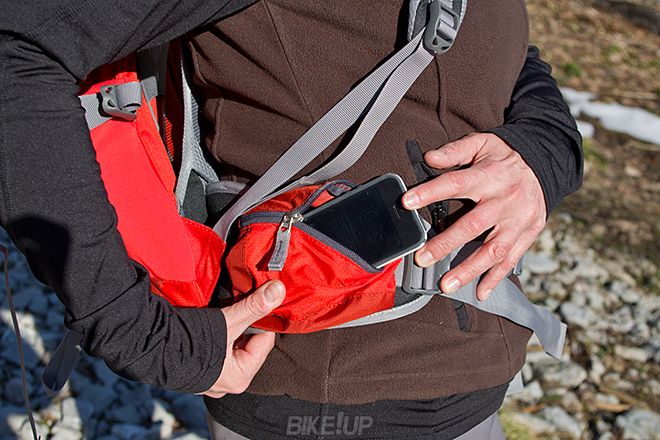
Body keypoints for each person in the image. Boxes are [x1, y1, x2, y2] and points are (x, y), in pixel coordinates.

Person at [0, 0, 582, 438]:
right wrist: (134, 328)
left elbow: (504, 53)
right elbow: (18, 46)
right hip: (320, 396)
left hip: (473, 378)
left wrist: (543, 150)